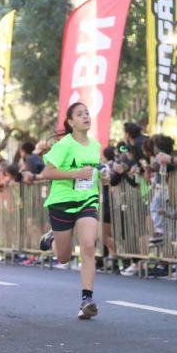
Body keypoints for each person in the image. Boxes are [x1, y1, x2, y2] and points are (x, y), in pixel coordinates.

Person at [34, 102, 111, 319]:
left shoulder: (95, 145)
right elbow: (46, 173)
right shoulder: (64, 145)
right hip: (62, 202)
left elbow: (97, 169)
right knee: (64, 257)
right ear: (70, 122)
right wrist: (75, 174)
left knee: (88, 245)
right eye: (80, 114)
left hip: (87, 200)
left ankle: (87, 299)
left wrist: (104, 174)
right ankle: (52, 238)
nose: (86, 116)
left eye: (87, 112)